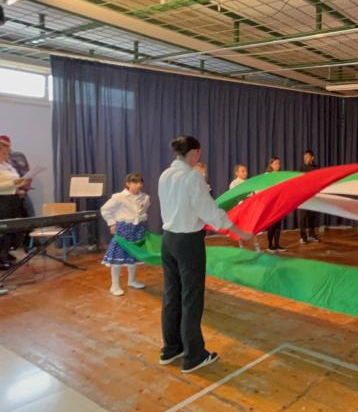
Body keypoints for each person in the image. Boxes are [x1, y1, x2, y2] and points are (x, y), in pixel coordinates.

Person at [158, 136, 253, 373]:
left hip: (168, 240)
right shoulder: (192, 177)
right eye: (199, 153)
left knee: (171, 295)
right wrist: (240, 232)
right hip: (188, 242)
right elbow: (210, 211)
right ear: (194, 153)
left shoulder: (165, 175)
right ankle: (194, 356)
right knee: (191, 297)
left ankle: (171, 349)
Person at [100, 173, 150, 296]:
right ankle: (114, 285)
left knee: (133, 256)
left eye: (140, 182)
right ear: (128, 183)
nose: (139, 185)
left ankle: (131, 280)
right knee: (118, 257)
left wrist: (140, 219)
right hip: (123, 230)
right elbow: (105, 209)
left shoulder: (145, 197)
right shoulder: (119, 197)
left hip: (138, 230)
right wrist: (112, 223)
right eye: (135, 182)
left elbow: (142, 212)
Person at [0, 135, 31, 269]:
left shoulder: (8, 166)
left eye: (7, 152)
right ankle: (1, 258)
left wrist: (22, 184)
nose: (6, 154)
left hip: (13, 199)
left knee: (12, 230)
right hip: (2, 201)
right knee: (3, 230)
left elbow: (14, 182)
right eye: (3, 152)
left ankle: (5, 253)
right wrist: (14, 183)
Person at [297, 150, 320, 244]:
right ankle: (303, 237)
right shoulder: (301, 168)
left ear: (312, 158)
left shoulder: (317, 168)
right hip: (303, 196)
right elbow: (298, 181)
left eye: (307, 157)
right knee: (302, 218)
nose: (305, 159)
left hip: (313, 196)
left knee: (312, 217)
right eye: (304, 157)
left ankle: (311, 235)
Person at [264, 157, 287, 253]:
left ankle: (277, 244)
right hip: (271, 203)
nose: (278, 165)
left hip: (279, 203)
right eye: (276, 163)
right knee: (272, 225)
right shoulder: (267, 175)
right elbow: (265, 189)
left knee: (278, 225)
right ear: (271, 165)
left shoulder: (281, 175)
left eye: (279, 163)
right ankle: (270, 245)